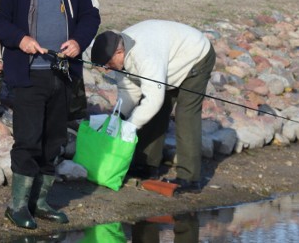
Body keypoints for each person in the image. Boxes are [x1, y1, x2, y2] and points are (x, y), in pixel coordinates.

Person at [0, 0, 101, 229]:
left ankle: (41, 202)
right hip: (27, 76)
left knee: (54, 141)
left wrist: (78, 41)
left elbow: (91, 16)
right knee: (29, 141)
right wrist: (21, 40)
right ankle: (17, 206)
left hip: (62, 74)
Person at [90, 20, 216, 194]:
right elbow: (129, 93)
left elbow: (153, 99)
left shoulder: (145, 55)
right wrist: (118, 118)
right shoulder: (121, 56)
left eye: (108, 64)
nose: (106, 69)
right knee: (153, 111)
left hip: (195, 56)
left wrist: (131, 125)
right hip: (168, 62)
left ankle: (189, 178)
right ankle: (146, 165)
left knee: (185, 114)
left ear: (119, 52)